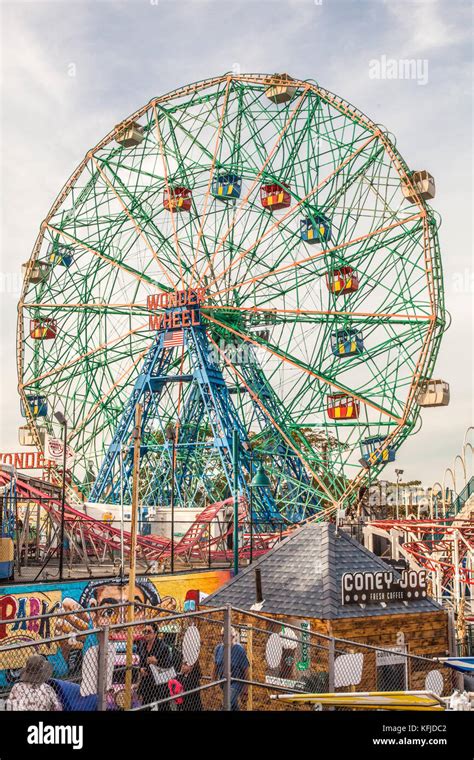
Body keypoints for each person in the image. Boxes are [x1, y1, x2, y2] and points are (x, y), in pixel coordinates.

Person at [137, 623, 175, 710]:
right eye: (144, 631)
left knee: (162, 706)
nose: (146, 634)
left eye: (149, 631)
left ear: (155, 633)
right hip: (147, 682)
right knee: (146, 705)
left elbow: (169, 665)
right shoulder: (142, 646)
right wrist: (140, 669)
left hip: (160, 682)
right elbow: (141, 662)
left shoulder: (163, 647)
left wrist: (157, 661)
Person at [214, 627, 249, 711]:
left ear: (233, 637)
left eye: (227, 636)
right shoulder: (218, 649)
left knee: (227, 703)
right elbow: (215, 666)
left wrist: (245, 689)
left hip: (236, 681)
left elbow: (246, 670)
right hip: (224, 682)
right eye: (223, 636)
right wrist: (213, 682)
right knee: (233, 706)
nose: (224, 638)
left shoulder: (239, 650)